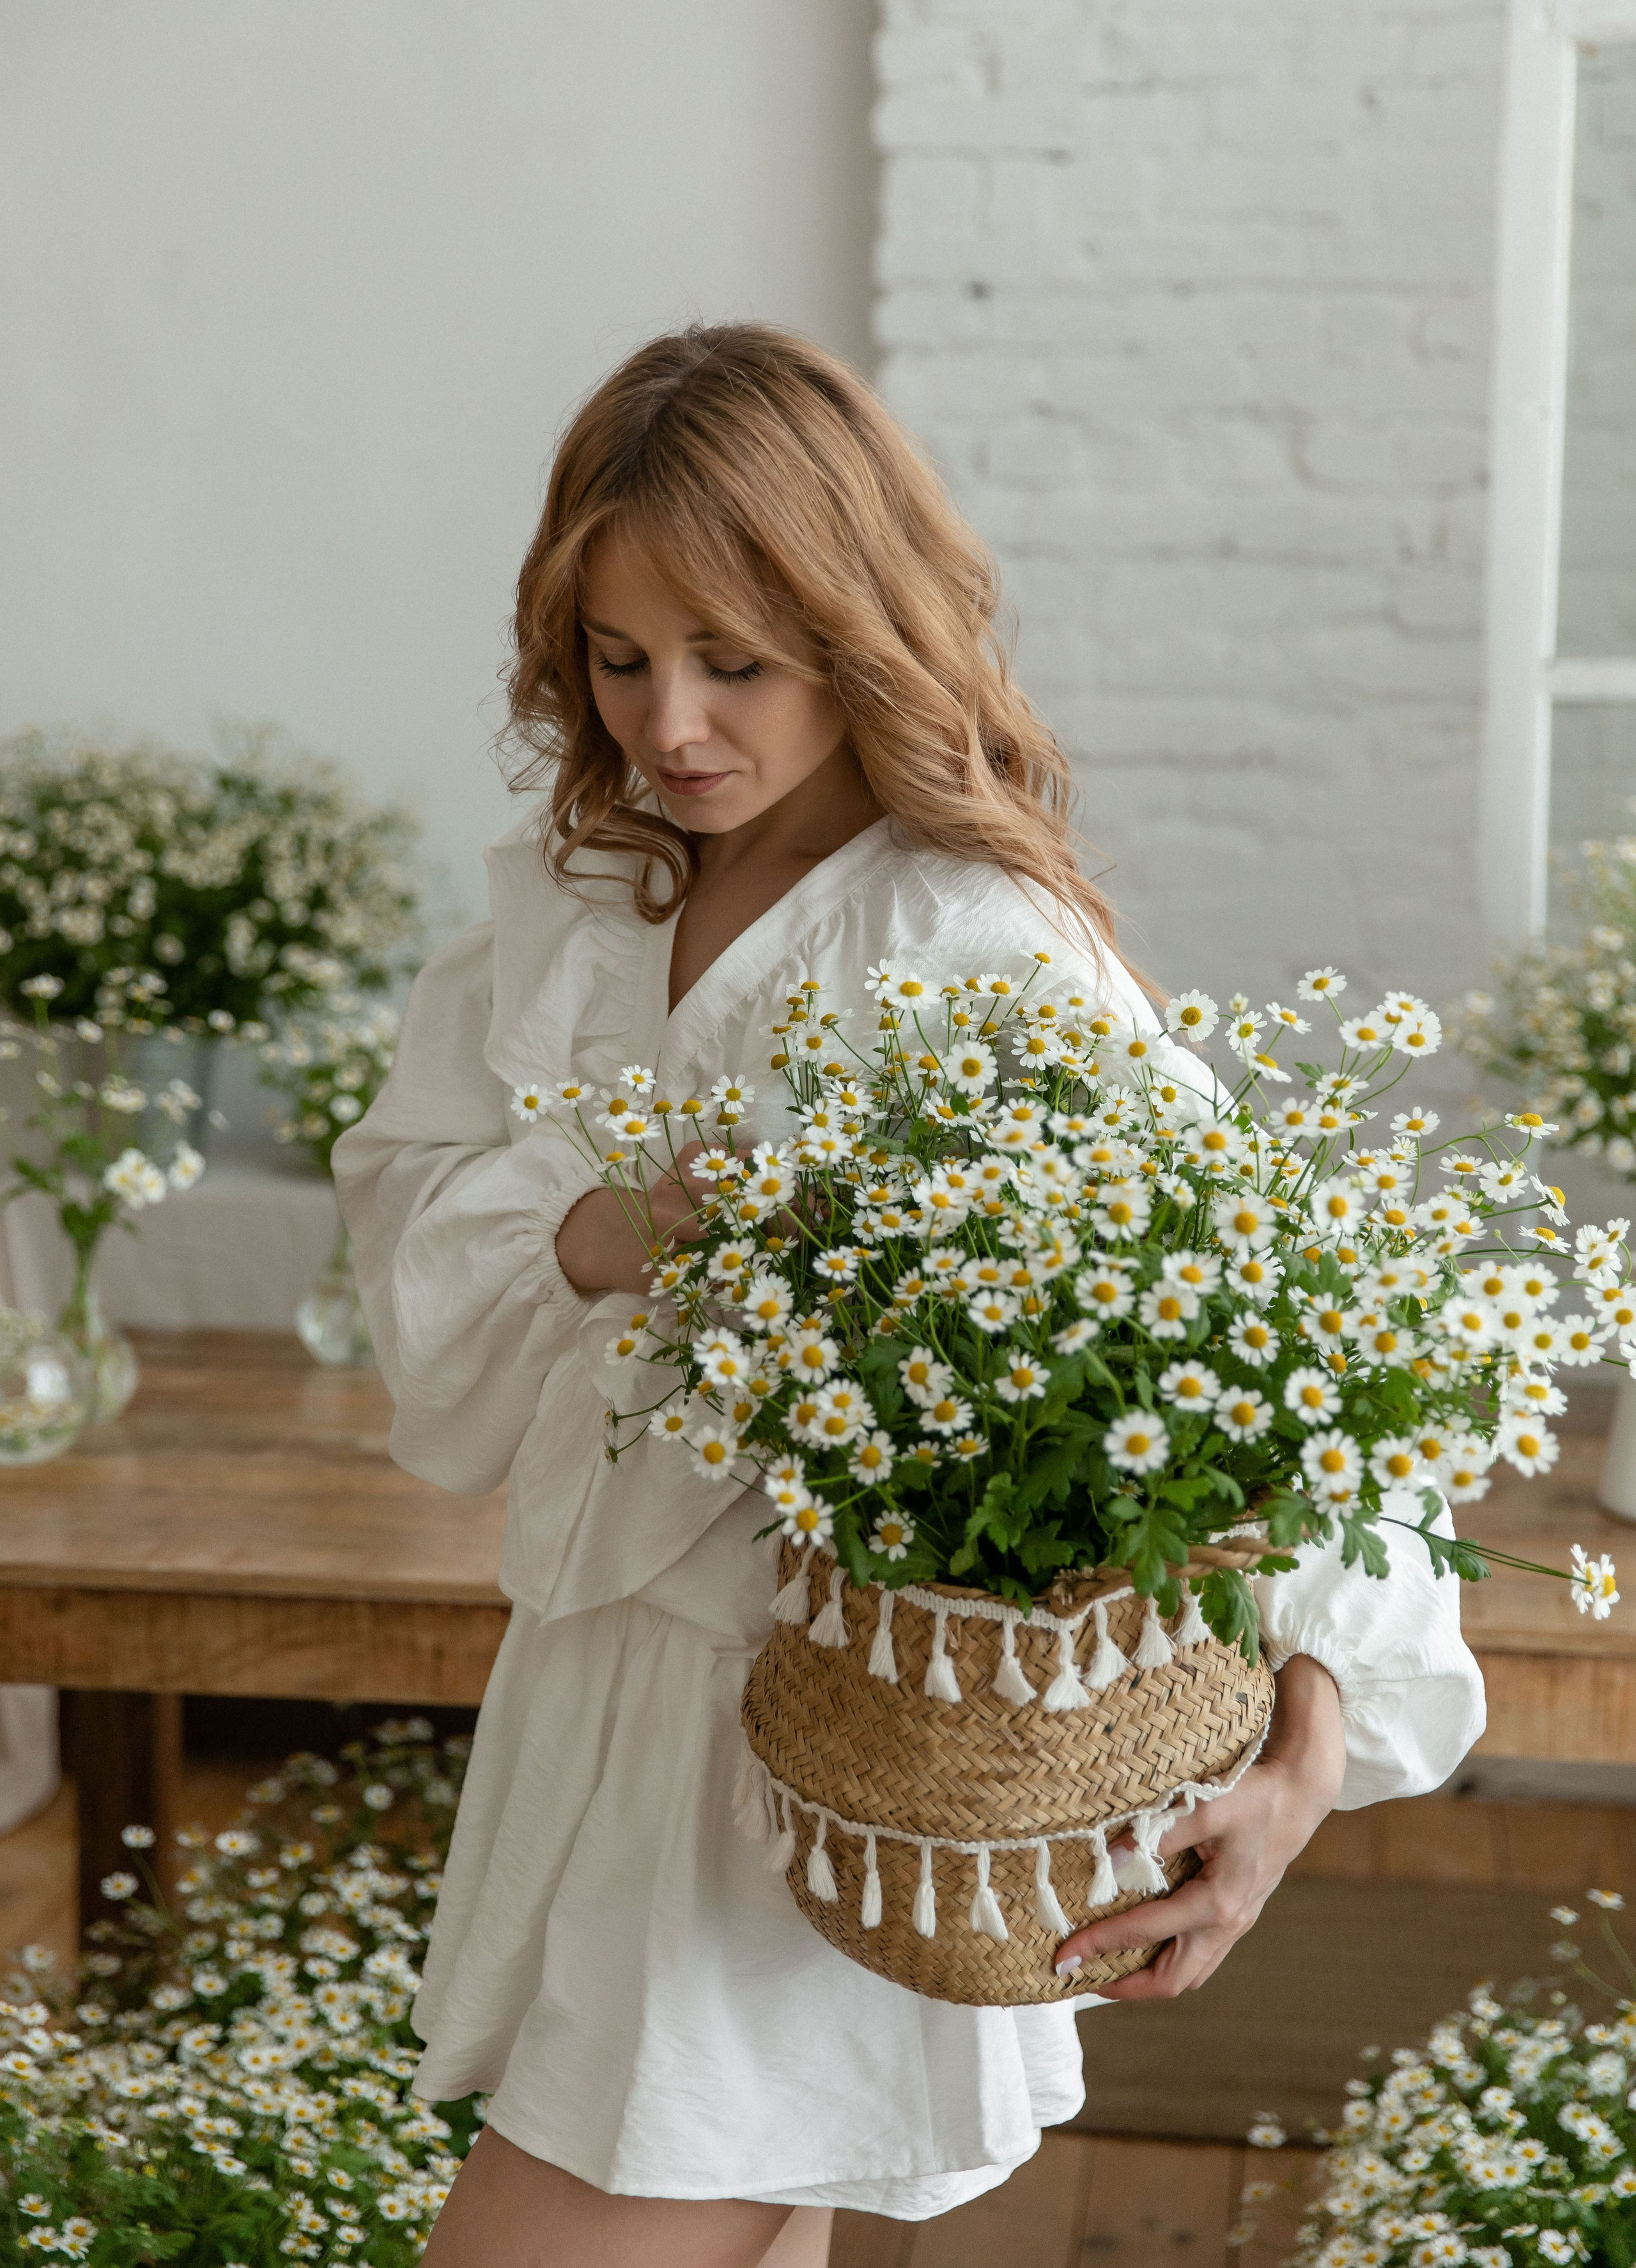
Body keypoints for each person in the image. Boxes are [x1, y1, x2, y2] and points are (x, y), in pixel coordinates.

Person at [335, 323, 1485, 2268]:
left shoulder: (974, 942)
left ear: (853, 633)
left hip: (832, 1743)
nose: (670, 725)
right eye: (618, 659)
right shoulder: (582, 902)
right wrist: (609, 1227)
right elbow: (415, 1221)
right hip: (608, 1715)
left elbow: (1262, 1349)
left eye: (734, 662)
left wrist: (1306, 1756)